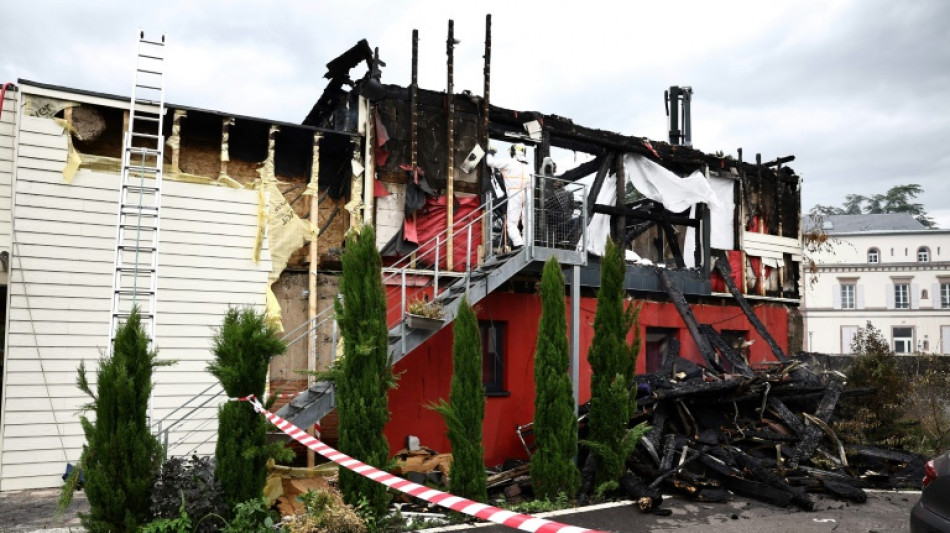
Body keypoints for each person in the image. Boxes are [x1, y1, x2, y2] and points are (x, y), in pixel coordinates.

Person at [487, 143, 531, 249]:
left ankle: (519, 243)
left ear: (513, 152)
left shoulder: (509, 162)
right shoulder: (529, 167)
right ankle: (528, 244)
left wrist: (489, 153)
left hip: (514, 194)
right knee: (527, 221)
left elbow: (490, 162)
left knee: (511, 223)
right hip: (528, 194)